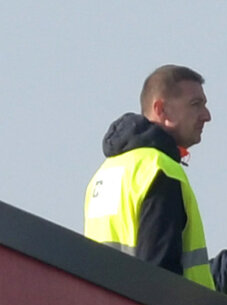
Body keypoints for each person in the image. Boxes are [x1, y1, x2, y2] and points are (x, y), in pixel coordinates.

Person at [84, 65, 215, 287]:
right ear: (161, 109)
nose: (207, 116)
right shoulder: (160, 170)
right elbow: (160, 277)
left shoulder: (104, 174)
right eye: (195, 104)